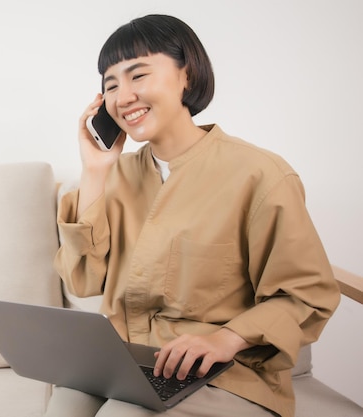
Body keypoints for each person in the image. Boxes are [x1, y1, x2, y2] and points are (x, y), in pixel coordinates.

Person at [47, 14, 341, 417]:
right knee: (62, 406)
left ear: (187, 74)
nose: (122, 96)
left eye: (138, 76)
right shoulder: (117, 176)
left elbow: (306, 294)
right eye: (110, 84)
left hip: (222, 372)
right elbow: (83, 281)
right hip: (124, 361)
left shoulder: (260, 175)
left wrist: (226, 339)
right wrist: (95, 173)